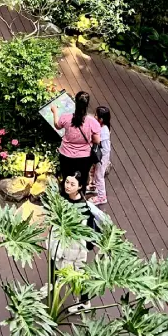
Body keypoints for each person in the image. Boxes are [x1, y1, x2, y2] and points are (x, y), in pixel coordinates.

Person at [49, 172, 106, 314]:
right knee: (53, 264)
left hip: (74, 248)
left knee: (77, 275)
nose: (68, 186)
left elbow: (83, 235)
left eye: (72, 184)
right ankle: (51, 285)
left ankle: (85, 302)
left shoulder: (83, 208)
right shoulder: (62, 198)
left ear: (80, 186)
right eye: (67, 182)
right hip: (59, 241)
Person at [51, 90, 101, 190]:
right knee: (81, 180)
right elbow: (97, 141)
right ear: (87, 105)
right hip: (84, 157)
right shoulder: (92, 122)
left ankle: (66, 198)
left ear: (75, 103)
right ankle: (79, 199)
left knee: (67, 179)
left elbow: (57, 125)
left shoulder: (66, 118)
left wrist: (55, 111)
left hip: (66, 155)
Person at [87, 105, 111, 205]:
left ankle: (102, 197)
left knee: (99, 175)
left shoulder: (104, 131)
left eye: (96, 115)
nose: (94, 116)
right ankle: (93, 185)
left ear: (101, 119)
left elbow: (104, 147)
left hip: (101, 157)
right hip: (99, 155)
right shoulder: (103, 127)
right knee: (93, 171)